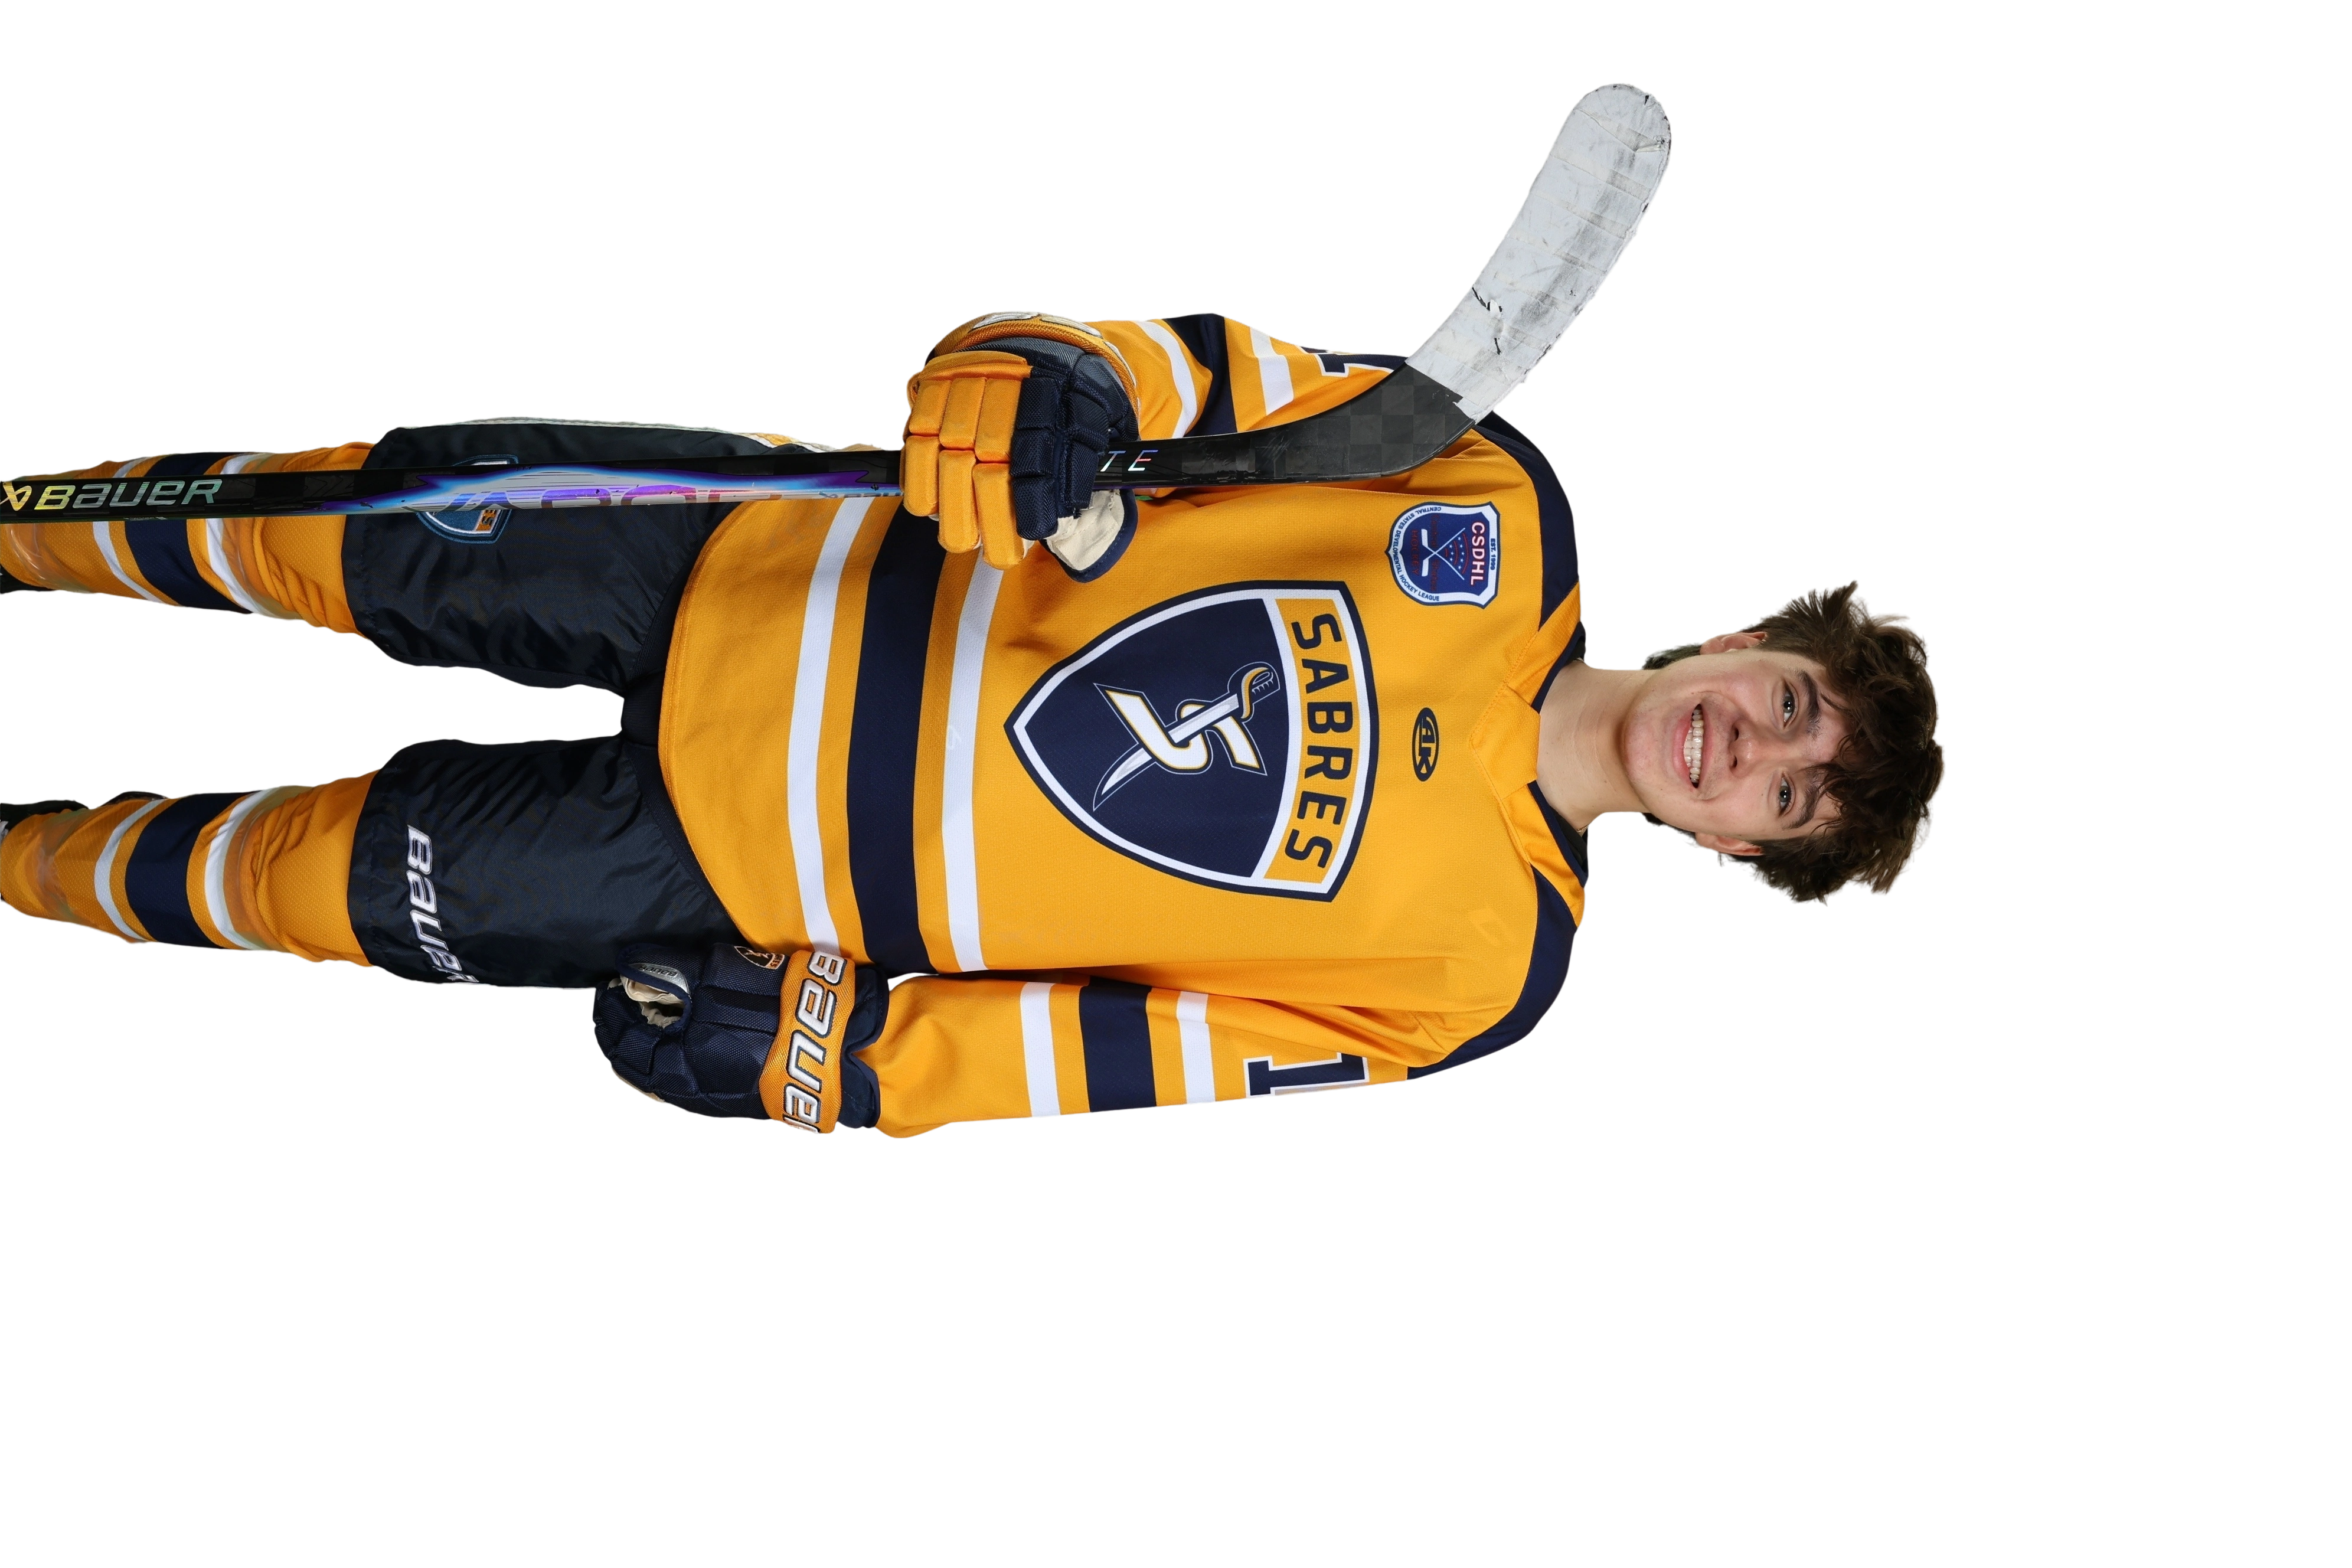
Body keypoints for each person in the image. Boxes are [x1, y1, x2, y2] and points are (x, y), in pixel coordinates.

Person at [0, 311, 1946, 1138]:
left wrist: (849, 1069)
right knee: (323, 529)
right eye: (1790, 705)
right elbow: (1212, 372)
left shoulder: (1487, 976)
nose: (1751, 751)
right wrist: (1059, 378)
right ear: (1751, 638)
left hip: (738, 873)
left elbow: (1141, 1053)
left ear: (1736, 854)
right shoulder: (1496, 501)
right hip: (755, 562)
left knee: (301, 886)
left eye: (1790, 801)